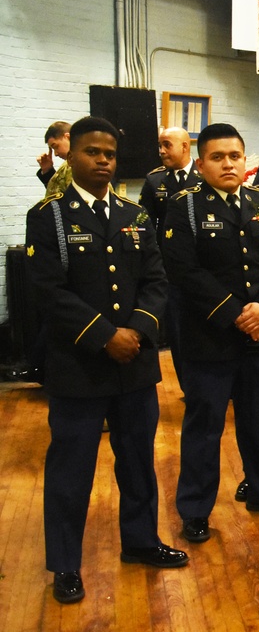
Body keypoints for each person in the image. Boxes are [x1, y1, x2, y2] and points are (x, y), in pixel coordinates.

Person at [25, 116, 188, 604]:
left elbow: (157, 281)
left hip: (134, 364)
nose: (102, 160)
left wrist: (136, 332)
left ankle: (140, 541)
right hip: (80, 367)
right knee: (71, 470)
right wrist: (104, 337)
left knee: (139, 462)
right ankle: (66, 565)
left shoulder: (135, 214)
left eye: (110, 154)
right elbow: (46, 291)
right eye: (92, 151)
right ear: (71, 155)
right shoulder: (49, 215)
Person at [162, 123, 259, 545]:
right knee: (204, 427)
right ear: (202, 162)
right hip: (210, 338)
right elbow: (183, 270)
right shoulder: (183, 207)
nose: (228, 164)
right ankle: (195, 509)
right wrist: (234, 314)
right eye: (218, 157)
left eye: (235, 156)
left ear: (246, 161)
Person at [139, 126, 202, 396]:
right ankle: (189, 387)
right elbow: (145, 226)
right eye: (159, 145)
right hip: (171, 272)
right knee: (177, 333)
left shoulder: (203, 177)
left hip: (203, 267)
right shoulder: (155, 181)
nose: (161, 151)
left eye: (167, 145)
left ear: (185, 147)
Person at [35, 120, 71, 188]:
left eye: (56, 147)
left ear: (68, 137)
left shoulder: (83, 162)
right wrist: (47, 170)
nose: (55, 154)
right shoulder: (68, 165)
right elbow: (59, 193)